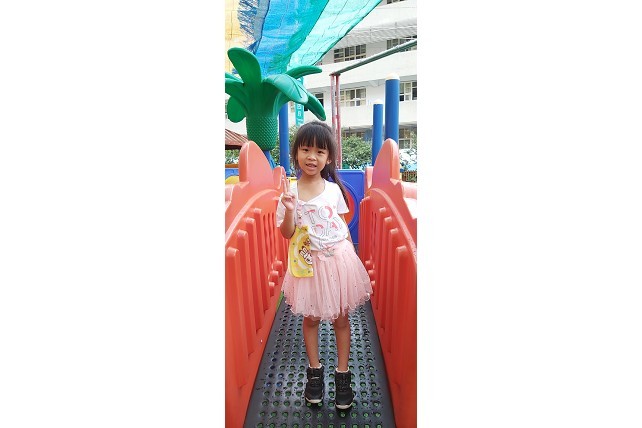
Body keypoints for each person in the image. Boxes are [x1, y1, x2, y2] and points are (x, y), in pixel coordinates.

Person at [276, 121, 373, 409]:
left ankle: (342, 375)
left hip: (339, 260)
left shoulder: (333, 190)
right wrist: (290, 211)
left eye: (319, 151)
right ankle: (315, 373)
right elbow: (287, 233)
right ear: (296, 153)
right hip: (310, 266)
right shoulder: (290, 193)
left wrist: (349, 256)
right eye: (306, 149)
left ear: (329, 157)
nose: (312, 156)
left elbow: (341, 224)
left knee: (341, 319)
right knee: (312, 319)